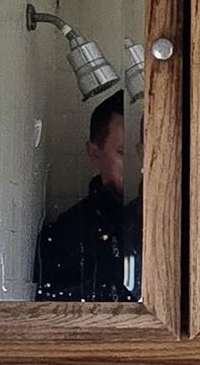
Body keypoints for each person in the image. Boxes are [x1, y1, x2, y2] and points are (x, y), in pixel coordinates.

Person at [34, 92, 142, 302]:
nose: (137, 161)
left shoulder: (169, 225)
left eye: (142, 150)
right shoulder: (64, 237)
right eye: (123, 151)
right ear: (95, 154)